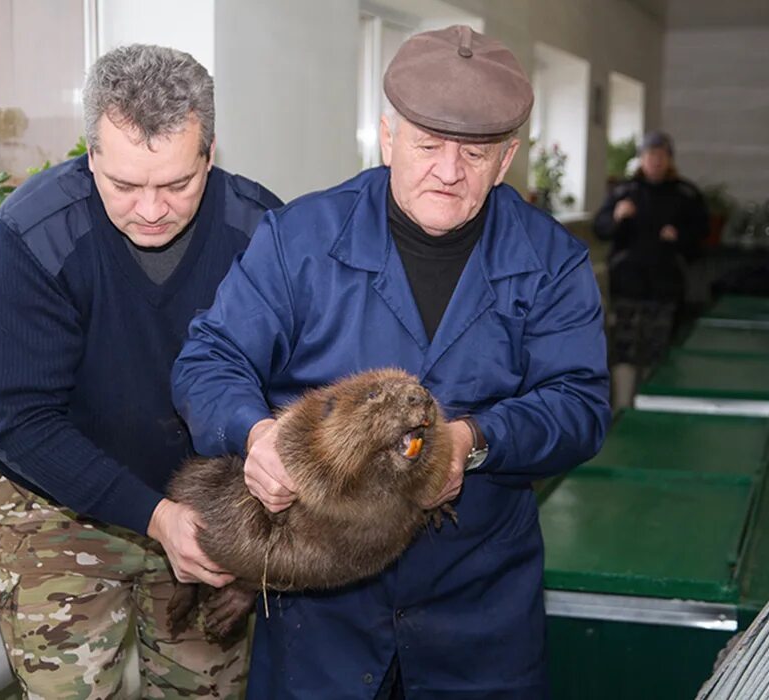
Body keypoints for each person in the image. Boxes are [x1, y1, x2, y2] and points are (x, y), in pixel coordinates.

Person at [171, 25, 610, 699]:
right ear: (387, 136)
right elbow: (209, 359)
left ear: (507, 158)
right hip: (320, 614)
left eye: (475, 153)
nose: (448, 170)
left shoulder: (552, 263)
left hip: (480, 611)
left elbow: (579, 406)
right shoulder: (301, 240)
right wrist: (254, 435)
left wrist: (473, 442)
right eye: (428, 145)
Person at [0, 44, 281, 698]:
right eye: (124, 185)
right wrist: (152, 515)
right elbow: (22, 426)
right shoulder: (30, 235)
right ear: (90, 157)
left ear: (211, 153)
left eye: (176, 184)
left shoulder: (261, 232)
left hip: (208, 510)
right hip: (60, 512)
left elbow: (288, 392)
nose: (150, 209)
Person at [594, 130, 709, 374]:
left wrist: (680, 236)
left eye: (661, 155)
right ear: (641, 159)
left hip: (666, 285)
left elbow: (702, 234)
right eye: (650, 155)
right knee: (624, 350)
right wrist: (616, 217)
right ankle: (624, 406)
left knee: (659, 351)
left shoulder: (685, 194)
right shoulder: (624, 191)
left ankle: (650, 398)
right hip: (628, 283)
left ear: (669, 160)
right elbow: (600, 228)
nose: (655, 161)